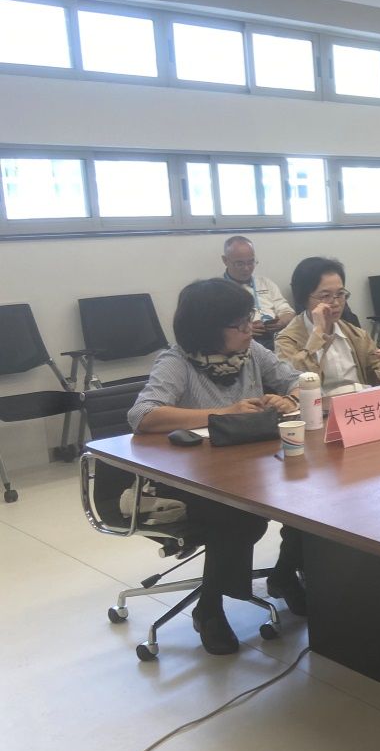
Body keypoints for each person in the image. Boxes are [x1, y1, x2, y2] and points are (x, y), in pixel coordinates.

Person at [127, 279, 303, 655]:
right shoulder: (176, 362)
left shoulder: (251, 351)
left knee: (311, 495)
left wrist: (288, 399)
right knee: (241, 519)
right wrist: (222, 413)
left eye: (249, 319)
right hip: (191, 479)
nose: (249, 329)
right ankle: (209, 608)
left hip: (251, 468)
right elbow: (142, 414)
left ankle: (285, 574)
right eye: (239, 324)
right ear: (208, 328)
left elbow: (295, 381)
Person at [275, 257, 380, 394]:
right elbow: (296, 385)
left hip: (360, 401)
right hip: (319, 405)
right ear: (303, 298)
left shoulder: (357, 335)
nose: (336, 303)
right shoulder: (286, 340)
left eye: (340, 294)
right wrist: (318, 334)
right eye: (325, 296)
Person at [220, 235, 295, 350]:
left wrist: (282, 321)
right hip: (244, 341)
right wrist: (244, 328)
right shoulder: (218, 290)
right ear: (225, 260)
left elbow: (288, 312)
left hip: (276, 335)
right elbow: (216, 326)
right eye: (240, 264)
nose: (246, 268)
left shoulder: (265, 283)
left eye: (251, 262)